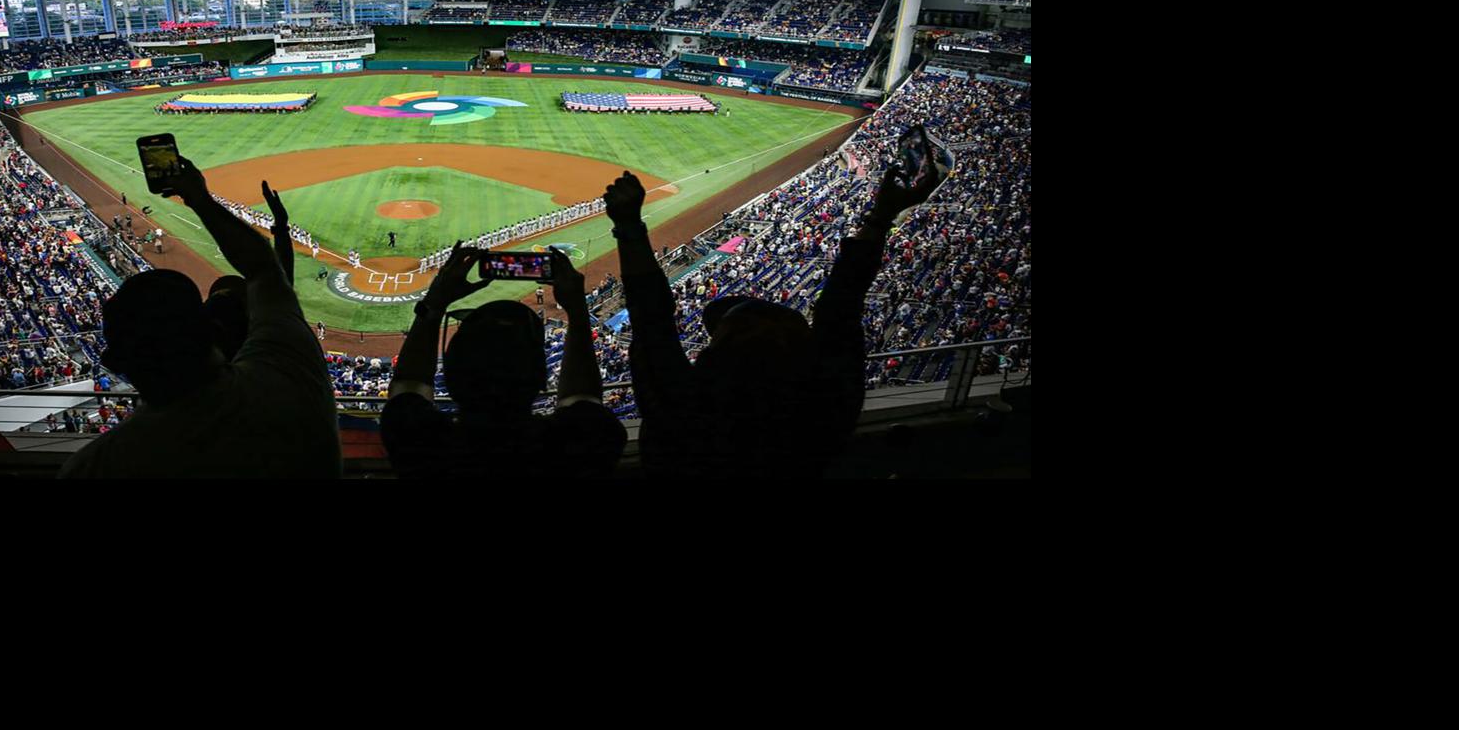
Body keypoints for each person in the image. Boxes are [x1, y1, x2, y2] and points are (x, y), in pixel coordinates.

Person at [602, 166, 938, 477]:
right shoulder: (823, 414)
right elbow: (841, 307)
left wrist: (629, 225)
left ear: (713, 357)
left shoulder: (686, 410)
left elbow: (650, 318)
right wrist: (881, 217)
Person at [60, 157, 340, 478]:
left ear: (122, 364)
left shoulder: (96, 465)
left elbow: (266, 276)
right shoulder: (285, 373)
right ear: (211, 330)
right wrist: (199, 198)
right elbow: (266, 272)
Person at [381, 243, 625, 478]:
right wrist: (578, 310)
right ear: (541, 377)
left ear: (452, 376)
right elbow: (584, 399)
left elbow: (408, 385)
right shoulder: (581, 444)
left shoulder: (420, 441)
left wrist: (435, 302)